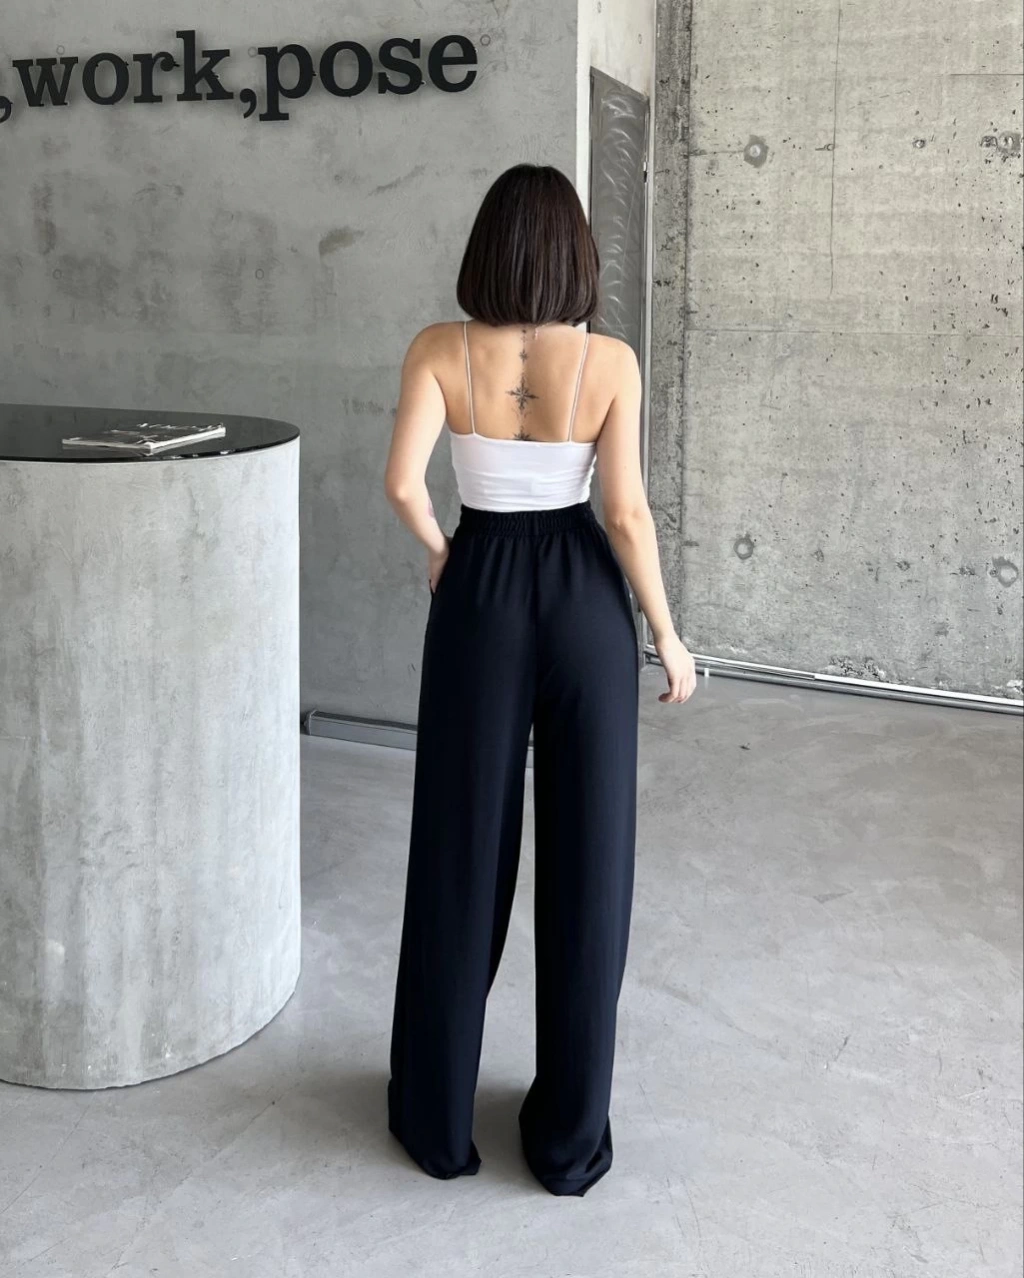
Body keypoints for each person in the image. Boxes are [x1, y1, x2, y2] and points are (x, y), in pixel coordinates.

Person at [383, 162, 696, 1197]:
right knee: (589, 858)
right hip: (581, 603)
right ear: (575, 253)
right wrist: (667, 635)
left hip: (478, 592)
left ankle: (437, 1121)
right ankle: (566, 1142)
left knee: (458, 847)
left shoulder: (439, 349)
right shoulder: (610, 361)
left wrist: (442, 553)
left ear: (488, 247)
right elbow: (626, 514)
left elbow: (401, 484)